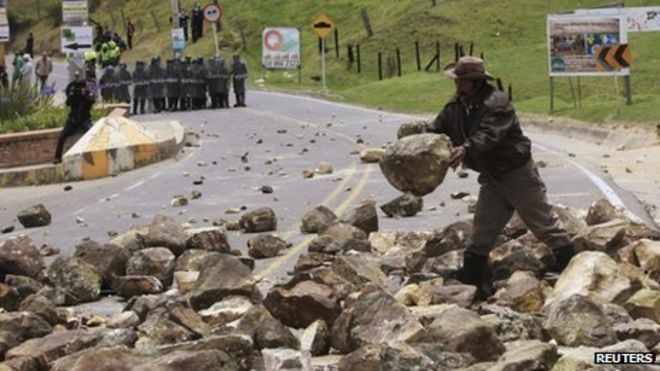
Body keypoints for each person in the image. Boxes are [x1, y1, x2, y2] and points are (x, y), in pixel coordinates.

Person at [426, 56, 575, 299]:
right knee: (481, 233)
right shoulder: (456, 105)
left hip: (517, 174)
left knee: (544, 225)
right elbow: (438, 127)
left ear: (476, 82)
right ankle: (474, 288)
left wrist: (465, 149)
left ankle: (574, 274)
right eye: (457, 80)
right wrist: (420, 139)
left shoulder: (497, 103)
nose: (457, 85)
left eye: (462, 80)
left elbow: (488, 136)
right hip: (492, 178)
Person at [53, 74, 95, 163]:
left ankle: (94, 156)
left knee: (93, 134)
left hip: (85, 120)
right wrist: (72, 95)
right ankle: (57, 157)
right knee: (62, 137)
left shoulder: (87, 94)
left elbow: (91, 101)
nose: (79, 89)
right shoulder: (74, 95)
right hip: (73, 120)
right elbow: (68, 103)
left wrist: (85, 94)